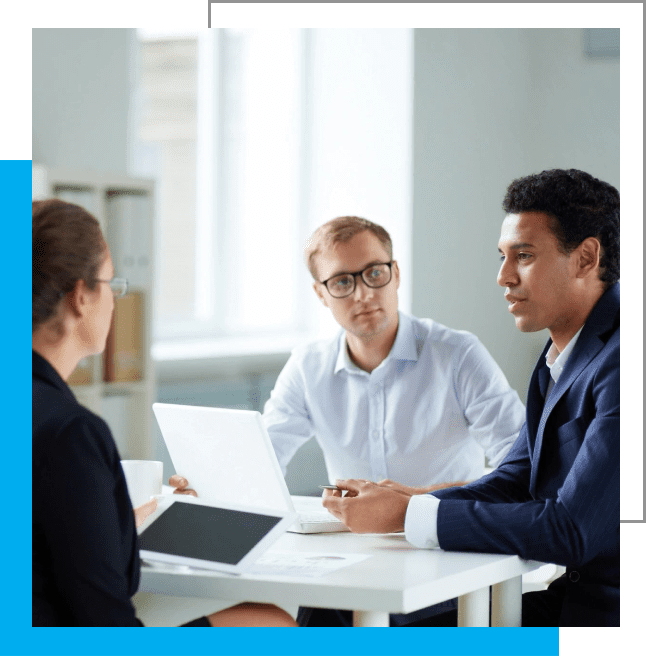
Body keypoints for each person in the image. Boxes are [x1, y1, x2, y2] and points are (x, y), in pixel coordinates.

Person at [323, 169, 620, 627]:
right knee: (338, 610)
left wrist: (406, 513)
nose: (503, 277)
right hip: (570, 601)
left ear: (585, 257)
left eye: (523, 256)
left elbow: (572, 530)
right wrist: (408, 501)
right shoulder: (560, 353)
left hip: (610, 618)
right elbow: (516, 480)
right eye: (503, 257)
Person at [32, 199, 297, 627]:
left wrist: (113, 525)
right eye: (110, 284)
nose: (115, 301)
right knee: (268, 621)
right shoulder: (71, 432)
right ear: (81, 296)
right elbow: (106, 621)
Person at [261, 215, 526, 626]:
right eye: (343, 282)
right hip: (350, 565)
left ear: (395, 274)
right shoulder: (307, 366)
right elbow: (262, 461)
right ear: (321, 293)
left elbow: (522, 470)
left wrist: (411, 502)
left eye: (374, 273)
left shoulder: (457, 355)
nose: (363, 294)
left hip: (446, 558)